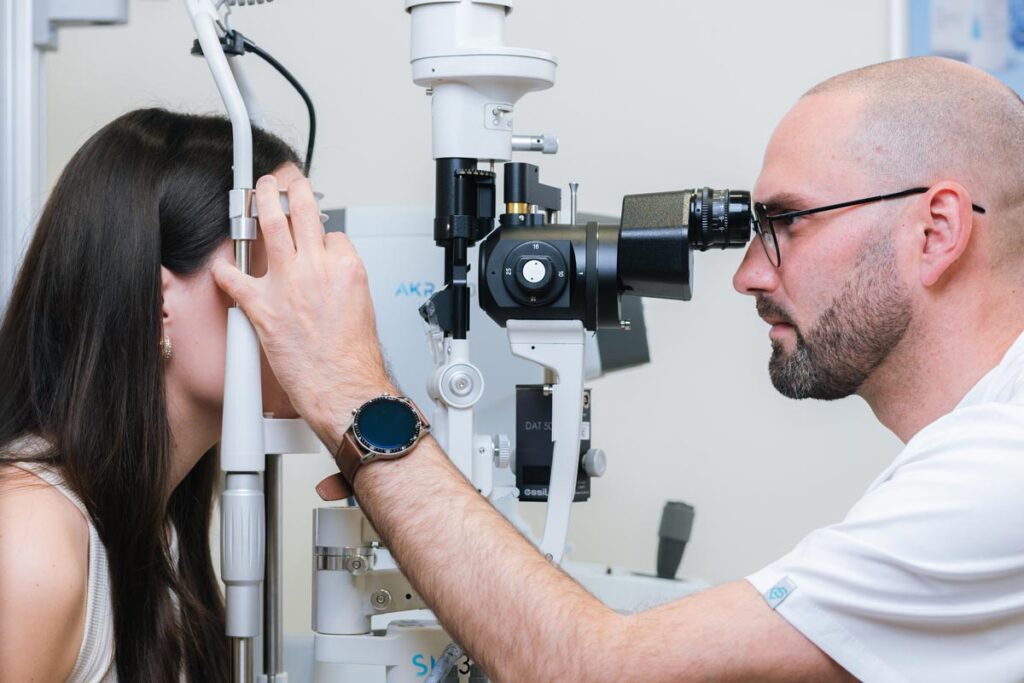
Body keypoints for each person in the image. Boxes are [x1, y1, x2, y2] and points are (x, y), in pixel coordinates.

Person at [212, 55, 1024, 681]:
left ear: (936, 229)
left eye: (786, 222)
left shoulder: (995, 473)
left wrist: (354, 390)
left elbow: (591, 670)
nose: (747, 273)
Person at [0, 108, 305, 682]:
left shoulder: (159, 525)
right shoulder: (30, 536)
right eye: (282, 249)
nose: (312, 294)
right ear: (158, 302)